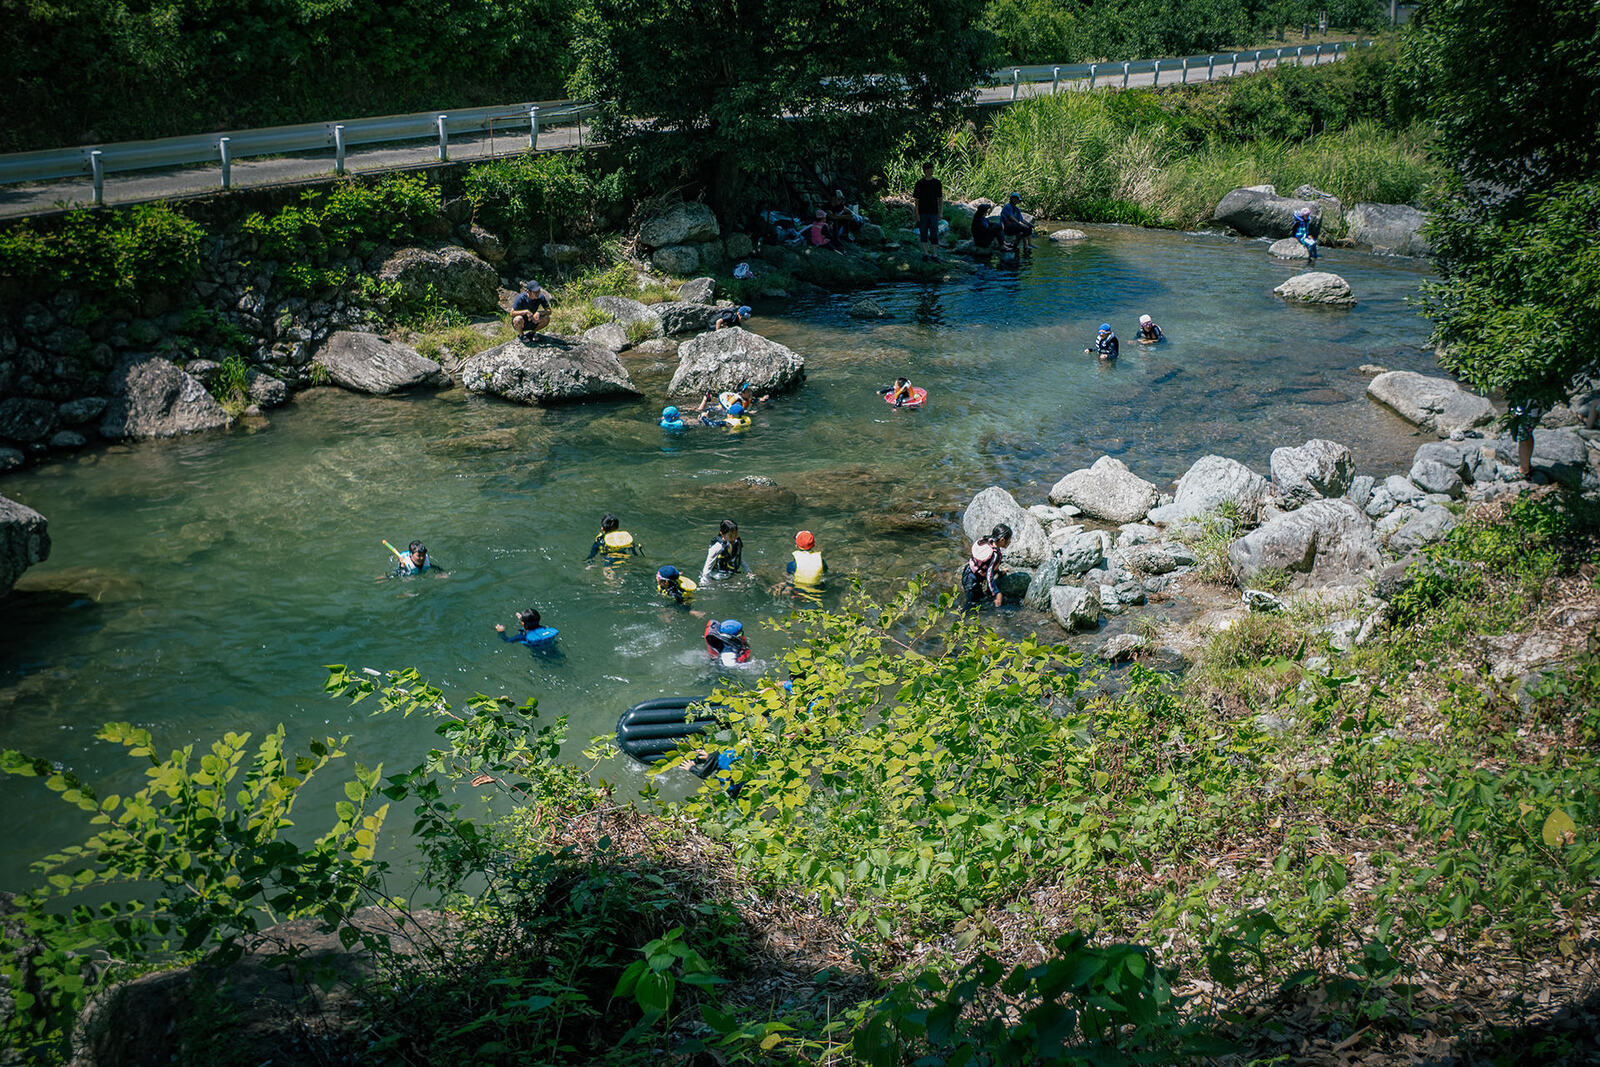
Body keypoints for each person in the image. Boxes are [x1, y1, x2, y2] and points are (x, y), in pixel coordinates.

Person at [961, 523, 1012, 608]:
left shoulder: (988, 540)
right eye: (1009, 540)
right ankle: (958, 619)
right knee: (970, 607)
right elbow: (989, 575)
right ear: (1002, 540)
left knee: (980, 600)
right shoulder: (994, 554)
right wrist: (996, 593)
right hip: (972, 582)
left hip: (968, 574)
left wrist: (999, 573)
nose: (1010, 542)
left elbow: (987, 565)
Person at [912, 162, 943, 262]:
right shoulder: (920, 183)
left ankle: (934, 254)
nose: (930, 171)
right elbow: (916, 200)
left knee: (934, 233)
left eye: (931, 169)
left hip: (934, 212)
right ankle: (925, 253)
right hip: (922, 212)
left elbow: (940, 199)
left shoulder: (937, 183)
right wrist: (916, 214)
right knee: (923, 233)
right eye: (928, 169)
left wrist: (941, 212)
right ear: (924, 171)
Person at [784, 530, 826, 601]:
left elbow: (789, 577)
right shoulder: (821, 561)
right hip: (818, 589)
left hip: (799, 590)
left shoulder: (792, 565)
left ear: (796, 546)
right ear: (814, 545)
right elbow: (825, 572)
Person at [1507, 397, 1543, 478]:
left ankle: (1523, 470)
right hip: (1527, 404)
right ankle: (1526, 465)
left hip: (1530, 406)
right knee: (1526, 433)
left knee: (1523, 434)